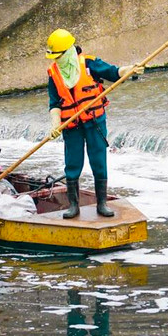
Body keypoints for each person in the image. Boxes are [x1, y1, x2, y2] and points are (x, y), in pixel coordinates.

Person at [45, 29, 143, 218]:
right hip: (71, 126)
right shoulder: (54, 73)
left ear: (69, 50)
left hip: (94, 122)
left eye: (59, 56)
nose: (56, 60)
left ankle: (102, 204)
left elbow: (114, 72)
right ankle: (73, 206)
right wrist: (55, 124)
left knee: (98, 160)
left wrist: (129, 70)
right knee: (72, 163)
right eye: (54, 57)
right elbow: (54, 103)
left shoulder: (89, 64)